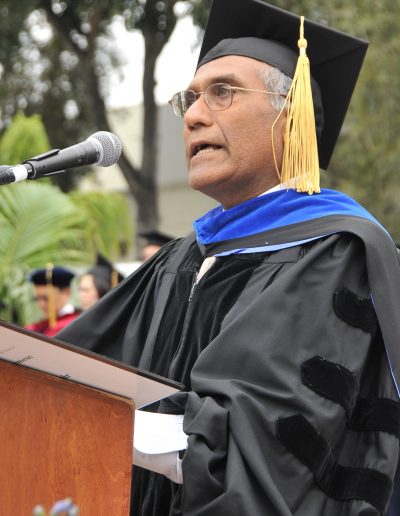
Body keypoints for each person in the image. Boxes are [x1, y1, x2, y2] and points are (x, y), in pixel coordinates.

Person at [58, 0, 400, 514]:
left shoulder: (335, 250)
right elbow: (61, 370)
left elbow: (262, 444)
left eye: (222, 93)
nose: (194, 116)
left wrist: (114, 422)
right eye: (190, 99)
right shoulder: (176, 261)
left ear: (291, 116)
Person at [26, 265, 80, 337]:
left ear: (66, 292)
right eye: (37, 298)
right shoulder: (36, 327)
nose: (41, 304)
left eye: (46, 298)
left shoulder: (77, 324)